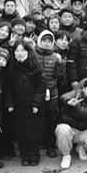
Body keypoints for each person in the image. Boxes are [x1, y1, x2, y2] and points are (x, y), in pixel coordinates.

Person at [3, 42, 46, 165]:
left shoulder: (35, 65)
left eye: (22, 50)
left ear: (28, 52)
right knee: (20, 131)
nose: (20, 53)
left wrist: (36, 103)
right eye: (17, 51)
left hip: (32, 104)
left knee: (33, 131)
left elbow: (41, 85)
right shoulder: (11, 66)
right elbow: (7, 87)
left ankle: (34, 155)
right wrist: (10, 103)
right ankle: (25, 155)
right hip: (17, 105)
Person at [56, 78, 87, 168]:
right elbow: (63, 97)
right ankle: (66, 155)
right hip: (69, 128)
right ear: (84, 89)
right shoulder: (76, 93)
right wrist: (68, 102)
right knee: (62, 129)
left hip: (84, 130)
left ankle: (81, 148)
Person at [34, 30, 67, 159]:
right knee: (36, 118)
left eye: (49, 41)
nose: (47, 43)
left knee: (52, 118)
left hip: (52, 91)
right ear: (39, 41)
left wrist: (60, 64)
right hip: (36, 91)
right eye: (44, 40)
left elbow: (60, 76)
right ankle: (37, 144)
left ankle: (50, 146)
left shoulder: (55, 56)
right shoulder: (32, 54)